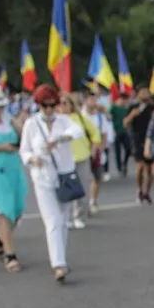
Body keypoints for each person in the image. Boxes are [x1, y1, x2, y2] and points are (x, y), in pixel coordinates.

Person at [18, 84, 83, 283]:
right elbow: (24, 151)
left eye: (51, 105)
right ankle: (59, 264)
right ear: (38, 105)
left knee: (63, 221)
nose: (48, 109)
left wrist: (60, 139)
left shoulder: (64, 121)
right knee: (53, 220)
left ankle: (60, 257)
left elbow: (77, 131)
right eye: (44, 106)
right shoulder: (31, 124)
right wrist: (32, 160)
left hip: (64, 177)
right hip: (43, 178)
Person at [0, 84, 29, 272]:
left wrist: (18, 121)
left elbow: (24, 135)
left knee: (17, 210)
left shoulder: (8, 120)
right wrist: (0, 148)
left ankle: (0, 238)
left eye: (0, 105)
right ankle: (10, 255)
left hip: (14, 169)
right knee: (5, 213)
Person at [60, 94, 101, 229]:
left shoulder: (80, 118)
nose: (63, 106)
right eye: (60, 103)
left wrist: (94, 147)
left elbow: (95, 133)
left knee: (82, 188)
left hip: (82, 156)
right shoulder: (56, 120)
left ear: (71, 104)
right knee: (66, 189)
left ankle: (79, 216)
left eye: (66, 103)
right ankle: (67, 217)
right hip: (64, 159)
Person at [124, 87, 154, 203]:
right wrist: (132, 115)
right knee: (140, 167)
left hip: (150, 139)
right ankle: (139, 189)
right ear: (137, 94)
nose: (144, 94)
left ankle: (147, 192)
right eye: (142, 92)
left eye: (146, 92)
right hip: (137, 139)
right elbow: (125, 123)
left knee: (149, 170)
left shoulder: (153, 108)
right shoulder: (133, 107)